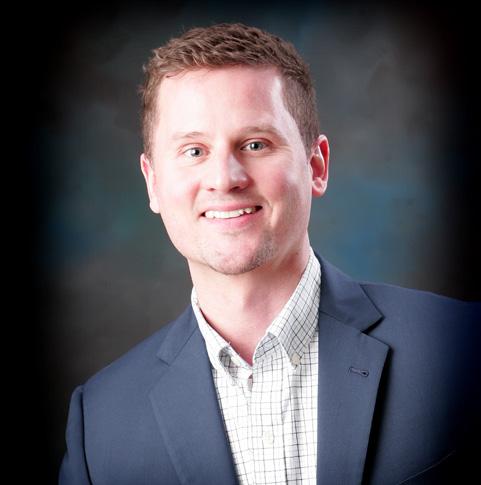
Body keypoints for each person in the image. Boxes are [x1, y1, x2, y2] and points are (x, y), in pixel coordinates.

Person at [59, 23, 480, 485]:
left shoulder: (460, 347)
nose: (225, 178)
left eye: (255, 144)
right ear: (153, 182)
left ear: (316, 166)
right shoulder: (101, 425)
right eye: (194, 150)